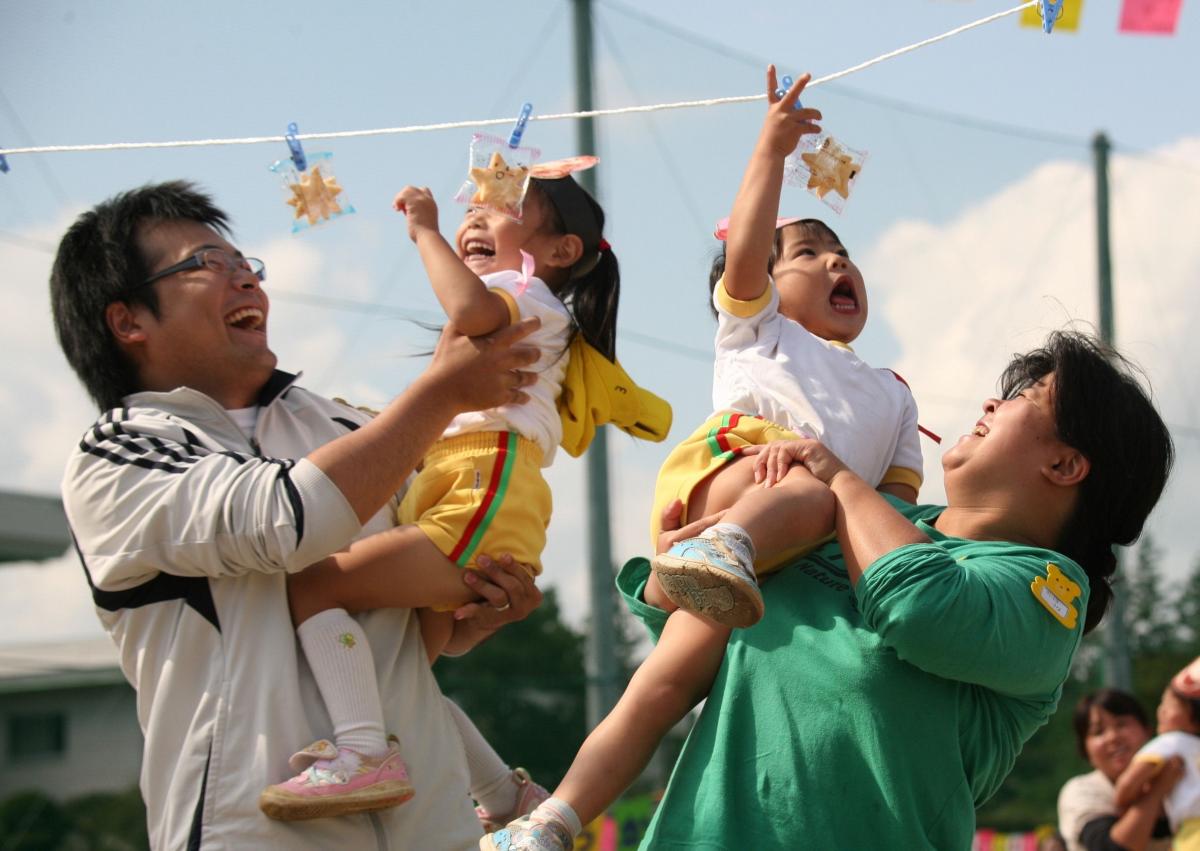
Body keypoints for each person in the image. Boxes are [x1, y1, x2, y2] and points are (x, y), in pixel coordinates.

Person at [480, 66, 923, 851]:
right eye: (809, 252)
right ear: (760, 286)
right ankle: (721, 542)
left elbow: (890, 507)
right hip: (739, 473)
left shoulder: (894, 393)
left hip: (786, 550)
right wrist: (773, 151)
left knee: (660, 686)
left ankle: (548, 822)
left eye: (842, 253)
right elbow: (751, 243)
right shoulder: (760, 332)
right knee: (816, 484)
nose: (833, 263)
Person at [50, 181, 546, 850]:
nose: (246, 282)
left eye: (245, 264)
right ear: (128, 321)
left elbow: (413, 633)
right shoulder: (122, 452)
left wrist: (472, 609)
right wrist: (442, 391)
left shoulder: (347, 424)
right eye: (206, 263)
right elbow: (286, 520)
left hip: (437, 830)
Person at [261, 173, 669, 821]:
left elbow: (471, 312)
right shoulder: (524, 299)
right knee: (403, 679)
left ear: (560, 250)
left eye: (501, 208)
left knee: (314, 586)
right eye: (469, 209)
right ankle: (507, 796)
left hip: (482, 482)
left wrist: (424, 228)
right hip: (466, 483)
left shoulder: (524, 290)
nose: (474, 219)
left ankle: (364, 750)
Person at [1059, 689, 1179, 851]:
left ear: (1147, 730)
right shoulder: (1083, 791)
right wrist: (1157, 791)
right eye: (1098, 732)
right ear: (1085, 750)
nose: (1113, 737)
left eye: (1121, 724)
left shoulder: (1179, 777)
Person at [1114, 659, 1200, 849]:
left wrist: (1126, 799)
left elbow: (1126, 786)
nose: (1160, 710)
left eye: (1169, 705)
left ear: (1191, 716)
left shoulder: (1170, 743)